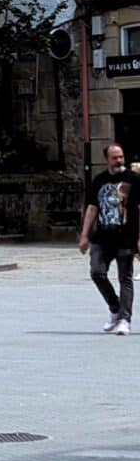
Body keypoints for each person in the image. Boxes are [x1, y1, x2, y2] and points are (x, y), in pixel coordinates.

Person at [79, 139, 138, 333]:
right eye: (115, 158)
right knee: (97, 272)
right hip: (102, 237)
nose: (119, 160)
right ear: (107, 159)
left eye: (121, 157)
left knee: (125, 278)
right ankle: (115, 307)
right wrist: (84, 235)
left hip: (126, 236)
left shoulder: (134, 179)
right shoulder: (99, 180)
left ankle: (125, 319)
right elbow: (92, 208)